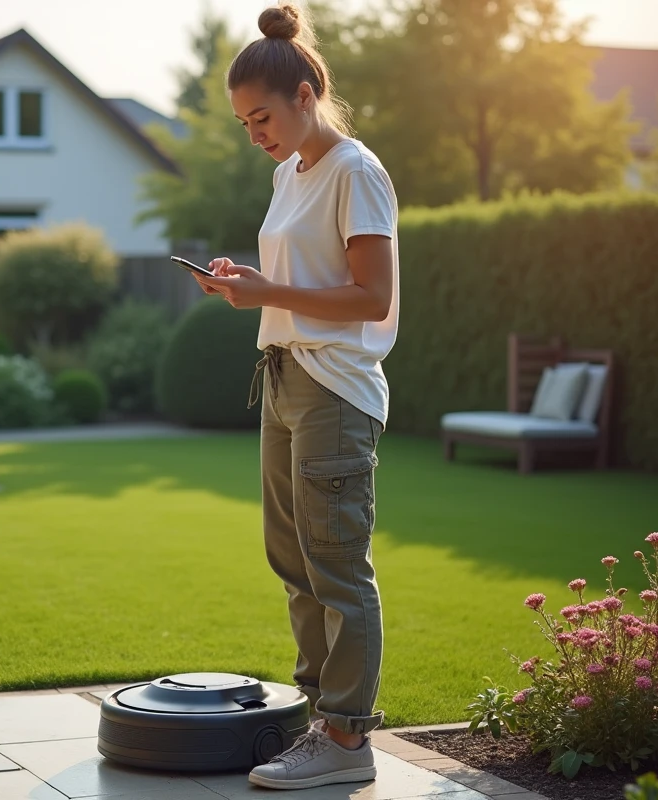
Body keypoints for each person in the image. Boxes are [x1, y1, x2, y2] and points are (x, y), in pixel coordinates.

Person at [190, 2, 400, 792]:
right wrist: (247, 283)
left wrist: (268, 289)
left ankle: (347, 736)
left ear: (307, 92)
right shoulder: (291, 172)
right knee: (292, 556)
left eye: (261, 117)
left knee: (337, 561)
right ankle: (320, 717)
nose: (255, 135)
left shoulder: (356, 170)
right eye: (244, 123)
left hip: (334, 387)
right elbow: (299, 276)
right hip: (282, 375)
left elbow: (371, 297)